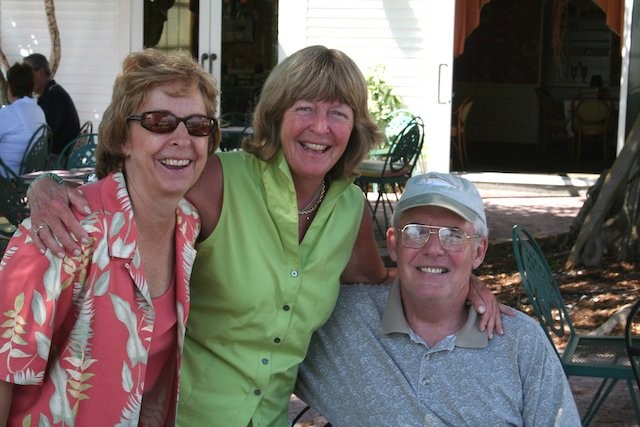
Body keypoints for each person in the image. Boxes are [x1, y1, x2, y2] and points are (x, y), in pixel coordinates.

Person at [25, 45, 508, 426]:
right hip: (184, 416)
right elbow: (132, 188)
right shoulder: (218, 180)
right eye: (305, 108)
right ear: (276, 114)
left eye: (338, 113)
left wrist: (460, 281)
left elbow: (381, 281)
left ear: (354, 127)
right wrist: (45, 189)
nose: (320, 127)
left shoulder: (349, 211)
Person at [0, 49, 220, 426]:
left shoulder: (188, 224)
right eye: (159, 121)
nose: (182, 137)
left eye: (198, 124)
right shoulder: (64, 231)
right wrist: (43, 186)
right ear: (123, 139)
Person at [295, 172, 581, 426]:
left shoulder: (521, 342)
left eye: (454, 235)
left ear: (479, 251)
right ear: (394, 244)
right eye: (416, 231)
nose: (433, 249)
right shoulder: (339, 320)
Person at [23, 53, 81, 154]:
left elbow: (44, 132)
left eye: (28, 73)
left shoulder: (54, 96)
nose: (25, 79)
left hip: (58, 157)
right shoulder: (52, 92)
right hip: (58, 153)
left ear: (41, 73)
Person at [0, 62, 47, 176]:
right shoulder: (38, 110)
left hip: (7, 175)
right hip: (29, 174)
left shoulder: (9, 113)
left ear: (10, 87)